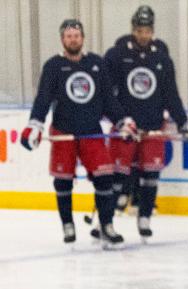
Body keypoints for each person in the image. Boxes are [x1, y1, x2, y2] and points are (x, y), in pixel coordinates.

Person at [21, 19, 135, 247]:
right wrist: (35, 124)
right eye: (68, 36)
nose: (73, 39)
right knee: (63, 181)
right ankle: (67, 224)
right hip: (64, 132)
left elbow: (108, 100)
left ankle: (106, 225)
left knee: (105, 178)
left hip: (91, 132)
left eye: (77, 35)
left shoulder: (96, 63)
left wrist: (123, 121)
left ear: (82, 38)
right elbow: (43, 98)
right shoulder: (53, 65)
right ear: (62, 39)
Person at [104, 5, 188, 240]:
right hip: (127, 128)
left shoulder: (161, 58)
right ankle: (105, 220)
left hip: (154, 126)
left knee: (150, 176)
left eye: (147, 30)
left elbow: (171, 95)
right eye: (139, 30)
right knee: (117, 176)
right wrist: (115, 118)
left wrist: (183, 122)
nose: (143, 35)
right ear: (133, 30)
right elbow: (106, 91)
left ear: (152, 31)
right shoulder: (117, 55)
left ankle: (144, 216)